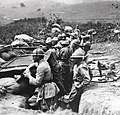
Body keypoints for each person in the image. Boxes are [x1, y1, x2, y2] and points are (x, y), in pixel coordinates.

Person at [64, 48, 91, 112]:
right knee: (71, 99)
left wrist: (80, 86)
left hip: (79, 86)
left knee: (74, 101)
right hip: (75, 84)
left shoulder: (81, 67)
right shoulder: (76, 65)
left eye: (74, 58)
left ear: (79, 59)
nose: (72, 60)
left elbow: (87, 79)